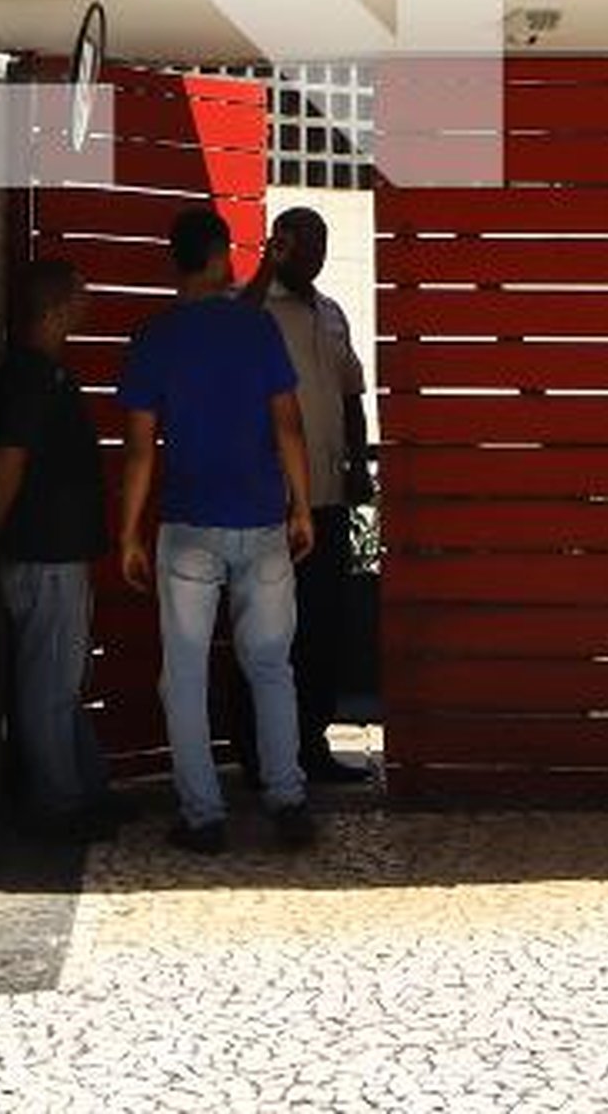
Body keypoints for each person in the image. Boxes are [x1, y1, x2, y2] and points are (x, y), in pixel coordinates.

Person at [116, 205, 318, 852]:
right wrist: (303, 506)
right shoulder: (256, 331)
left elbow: (141, 449)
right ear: (220, 256)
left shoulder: (154, 338)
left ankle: (203, 817)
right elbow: (288, 424)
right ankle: (288, 801)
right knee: (269, 666)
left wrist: (128, 534)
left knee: (185, 672)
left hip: (188, 526)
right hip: (260, 520)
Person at [0, 260, 116, 837]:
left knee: (61, 680)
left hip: (56, 555)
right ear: (57, 308)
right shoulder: (32, 379)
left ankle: (82, 789)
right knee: (48, 684)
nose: (88, 303)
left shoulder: (41, 374)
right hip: (44, 557)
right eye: (81, 295)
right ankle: (59, 804)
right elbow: (9, 464)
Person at [251, 206, 373, 783]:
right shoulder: (256, 309)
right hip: (272, 502)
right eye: (305, 245)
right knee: (270, 628)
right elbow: (233, 339)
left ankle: (311, 744)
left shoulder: (332, 315)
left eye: (323, 245)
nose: (317, 257)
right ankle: (259, 754)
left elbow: (352, 394)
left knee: (323, 626)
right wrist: (261, 268)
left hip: (328, 498)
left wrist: (357, 462)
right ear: (282, 245)